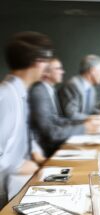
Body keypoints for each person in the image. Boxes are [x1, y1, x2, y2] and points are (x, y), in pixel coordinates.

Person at [0, 31, 51, 205]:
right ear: (38, 61)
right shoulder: (7, 96)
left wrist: (35, 153)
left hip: (22, 182)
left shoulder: (19, 91)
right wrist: (20, 165)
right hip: (9, 191)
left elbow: (20, 135)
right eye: (47, 59)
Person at [29, 58, 99, 157]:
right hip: (46, 151)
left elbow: (56, 120)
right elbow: (50, 133)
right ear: (46, 73)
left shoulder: (49, 90)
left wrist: (83, 122)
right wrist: (83, 128)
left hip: (54, 146)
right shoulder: (39, 92)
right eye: (58, 69)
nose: (63, 71)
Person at [58, 54, 100, 120]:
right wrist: (97, 117)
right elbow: (71, 115)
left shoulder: (91, 89)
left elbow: (89, 110)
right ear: (92, 71)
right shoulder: (73, 85)